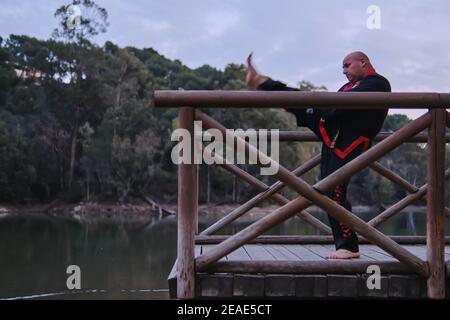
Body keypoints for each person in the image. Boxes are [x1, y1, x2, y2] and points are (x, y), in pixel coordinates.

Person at [246, 51, 391, 259]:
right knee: (327, 191)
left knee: (334, 192)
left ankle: (349, 247)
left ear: (363, 62)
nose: (344, 71)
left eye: (347, 65)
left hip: (350, 144)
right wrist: (317, 108)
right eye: (343, 67)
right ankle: (262, 82)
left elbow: (340, 106)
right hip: (333, 139)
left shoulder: (378, 83)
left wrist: (320, 108)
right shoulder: (349, 86)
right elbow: (335, 105)